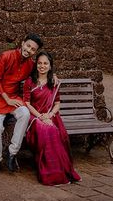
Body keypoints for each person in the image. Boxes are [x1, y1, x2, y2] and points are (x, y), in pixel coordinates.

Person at [0, 33, 43, 174]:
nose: (29, 50)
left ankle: (12, 152)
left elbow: (41, 73)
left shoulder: (30, 65)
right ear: (22, 43)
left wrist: (53, 75)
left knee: (25, 113)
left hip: (13, 98)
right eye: (28, 46)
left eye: (33, 49)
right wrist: (7, 99)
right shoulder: (6, 56)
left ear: (35, 52)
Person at [24, 51, 81, 186]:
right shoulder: (30, 81)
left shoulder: (53, 82)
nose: (42, 66)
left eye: (45, 63)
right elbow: (26, 103)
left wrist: (49, 115)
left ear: (50, 66)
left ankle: (62, 172)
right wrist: (40, 117)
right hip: (34, 116)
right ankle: (51, 174)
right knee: (47, 131)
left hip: (50, 115)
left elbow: (57, 103)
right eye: (39, 63)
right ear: (36, 65)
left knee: (56, 132)